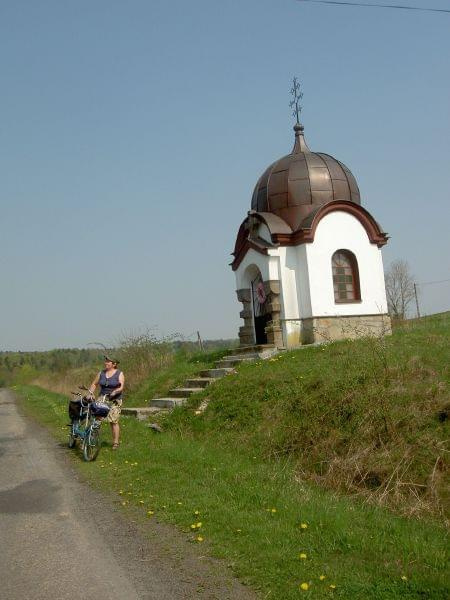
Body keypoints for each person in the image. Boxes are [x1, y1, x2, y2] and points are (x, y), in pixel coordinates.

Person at [89, 356, 125, 450]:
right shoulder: (101, 373)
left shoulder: (119, 373)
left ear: (114, 364)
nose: (106, 363)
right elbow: (94, 384)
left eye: (108, 362)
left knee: (113, 421)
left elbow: (121, 386)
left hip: (114, 399)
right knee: (97, 419)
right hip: (102, 398)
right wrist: (90, 393)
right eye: (106, 361)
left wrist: (115, 391)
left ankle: (115, 443)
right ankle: (93, 439)